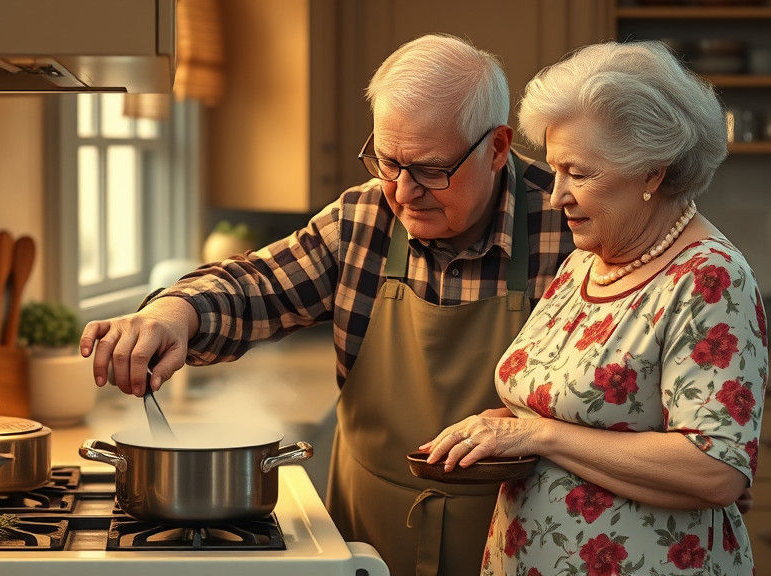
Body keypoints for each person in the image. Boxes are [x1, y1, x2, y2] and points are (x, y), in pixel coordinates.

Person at [80, 34, 575, 575]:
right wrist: (173, 313)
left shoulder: (569, 224)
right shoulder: (362, 219)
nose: (404, 193)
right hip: (365, 538)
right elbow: (257, 285)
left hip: (518, 542)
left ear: (498, 147)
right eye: (387, 162)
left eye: (432, 170)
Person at [421, 40, 767, 575]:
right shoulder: (588, 261)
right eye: (555, 170)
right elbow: (576, 412)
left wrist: (540, 434)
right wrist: (507, 427)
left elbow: (717, 471)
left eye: (579, 174)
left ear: (652, 172)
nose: (557, 195)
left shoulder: (709, 278)